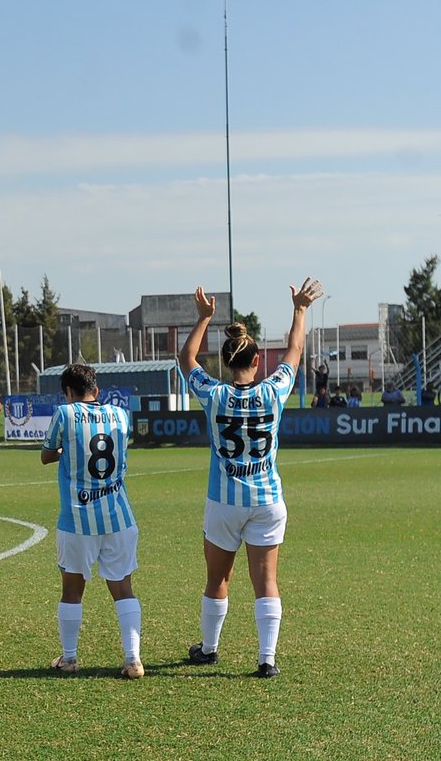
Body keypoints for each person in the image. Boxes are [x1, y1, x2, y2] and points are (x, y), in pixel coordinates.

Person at [177, 277, 323, 678]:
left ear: (226, 363)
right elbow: (294, 350)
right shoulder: (274, 391)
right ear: (258, 361)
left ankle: (208, 650)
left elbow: (186, 358)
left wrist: (204, 318)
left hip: (224, 502)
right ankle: (267, 659)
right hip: (267, 500)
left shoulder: (213, 394)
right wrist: (299, 309)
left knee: (218, 578)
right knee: (266, 581)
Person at [41, 364, 143, 679]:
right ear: (96, 391)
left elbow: (46, 455)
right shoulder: (120, 415)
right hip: (118, 517)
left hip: (77, 518)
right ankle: (133, 659)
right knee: (123, 588)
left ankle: (70, 658)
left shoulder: (65, 414)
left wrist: (64, 451)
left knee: (72, 590)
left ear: (68, 393)